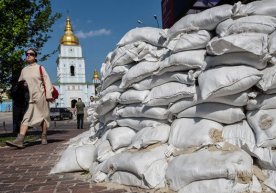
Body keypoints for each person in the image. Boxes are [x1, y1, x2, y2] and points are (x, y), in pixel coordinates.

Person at [6, 48, 54, 148]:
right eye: (27, 54)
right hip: (29, 98)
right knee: (26, 118)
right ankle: (20, 140)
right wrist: (22, 86)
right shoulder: (24, 70)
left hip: (41, 97)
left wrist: (49, 95)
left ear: (35, 56)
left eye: (31, 54)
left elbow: (47, 81)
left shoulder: (40, 68)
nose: (28, 55)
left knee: (43, 117)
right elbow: (19, 83)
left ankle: (44, 136)